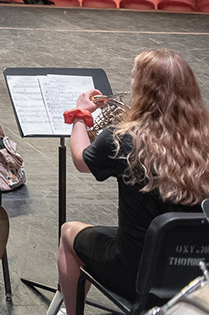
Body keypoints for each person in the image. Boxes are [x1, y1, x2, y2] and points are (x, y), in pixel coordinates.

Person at [56, 50, 209, 309]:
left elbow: (82, 160)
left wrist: (81, 115)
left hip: (136, 272)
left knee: (68, 231)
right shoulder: (202, 140)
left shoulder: (122, 139)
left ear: (143, 89)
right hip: (194, 271)